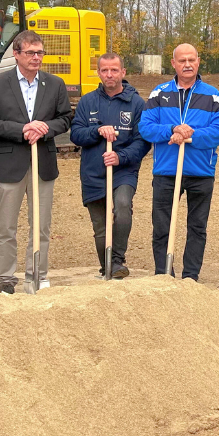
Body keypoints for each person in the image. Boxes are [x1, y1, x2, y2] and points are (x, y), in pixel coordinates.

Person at [0, 30, 72, 293]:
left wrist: (44, 128)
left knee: (41, 224)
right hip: (9, 164)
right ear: (16, 54)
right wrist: (22, 129)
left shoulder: (55, 84)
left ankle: (37, 274)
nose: (36, 57)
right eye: (30, 52)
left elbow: (65, 118)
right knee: (6, 225)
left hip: (43, 163)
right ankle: (6, 278)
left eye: (40, 52)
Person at [138, 43, 219, 280]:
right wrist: (172, 130)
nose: (187, 64)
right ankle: (163, 274)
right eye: (182, 60)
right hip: (166, 171)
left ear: (198, 61)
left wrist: (190, 134)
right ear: (174, 63)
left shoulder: (212, 95)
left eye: (191, 60)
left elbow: (218, 130)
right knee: (162, 226)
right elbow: (145, 127)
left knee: (197, 227)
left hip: (201, 171)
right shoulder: (159, 93)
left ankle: (190, 277)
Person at [70, 52, 149, 279]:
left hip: (123, 170)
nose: (109, 74)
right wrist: (97, 130)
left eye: (114, 70)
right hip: (93, 172)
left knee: (122, 207)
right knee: (100, 226)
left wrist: (120, 157)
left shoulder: (136, 103)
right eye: (104, 70)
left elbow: (143, 141)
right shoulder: (87, 101)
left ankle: (116, 260)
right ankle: (108, 266)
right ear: (98, 73)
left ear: (123, 72)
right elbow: (76, 134)